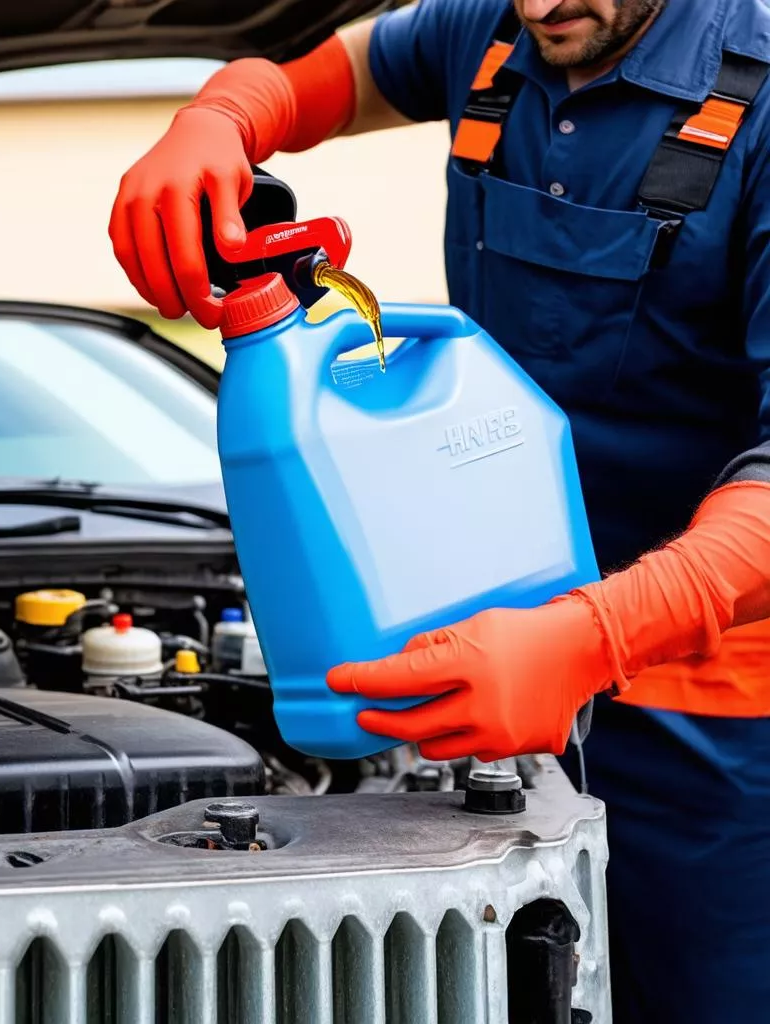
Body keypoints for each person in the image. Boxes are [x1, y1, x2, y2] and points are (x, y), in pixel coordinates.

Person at [108, 1, 770, 1019]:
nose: (543, 6)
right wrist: (223, 115)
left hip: (717, 722)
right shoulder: (487, 31)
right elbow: (322, 71)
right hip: (501, 663)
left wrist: (595, 631)